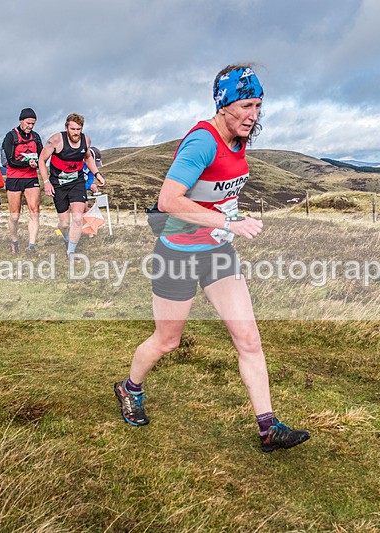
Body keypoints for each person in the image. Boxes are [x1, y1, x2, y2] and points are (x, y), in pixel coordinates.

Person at [113, 65, 310, 453]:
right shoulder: (203, 141)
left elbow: (218, 192)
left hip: (217, 253)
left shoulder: (239, 140)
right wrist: (227, 221)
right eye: (246, 105)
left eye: (258, 105)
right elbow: (170, 200)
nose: (253, 115)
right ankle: (129, 388)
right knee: (167, 341)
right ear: (223, 105)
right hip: (177, 255)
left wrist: (230, 219)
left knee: (249, 340)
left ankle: (268, 427)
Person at [38, 113, 105, 261]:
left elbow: (87, 157)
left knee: (77, 218)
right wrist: (46, 181)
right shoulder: (55, 140)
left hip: (77, 182)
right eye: (73, 129)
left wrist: (97, 173)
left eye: (78, 129)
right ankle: (67, 238)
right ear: (66, 127)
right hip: (58, 184)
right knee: (64, 223)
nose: (75, 133)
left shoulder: (85, 140)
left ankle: (71, 252)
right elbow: (41, 160)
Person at [2, 108, 44, 255]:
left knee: (35, 211)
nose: (30, 126)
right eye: (28, 123)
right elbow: (9, 161)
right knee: (15, 215)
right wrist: (27, 164)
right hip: (14, 178)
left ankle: (31, 246)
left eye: (33, 123)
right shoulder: (11, 136)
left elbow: (42, 157)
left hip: (31, 178)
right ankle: (14, 241)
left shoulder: (36, 137)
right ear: (21, 120)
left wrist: (37, 164)